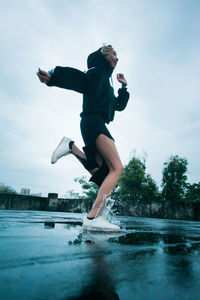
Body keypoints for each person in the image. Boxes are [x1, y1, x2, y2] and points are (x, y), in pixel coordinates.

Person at [37, 45, 130, 232]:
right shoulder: (96, 73)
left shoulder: (106, 82)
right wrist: (54, 77)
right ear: (103, 57)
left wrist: (124, 87)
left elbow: (118, 106)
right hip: (93, 122)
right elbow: (78, 78)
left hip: (94, 123)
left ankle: (70, 146)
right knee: (117, 168)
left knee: (103, 174)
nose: (117, 58)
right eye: (113, 54)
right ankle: (93, 217)